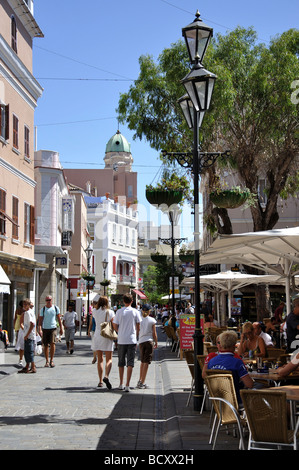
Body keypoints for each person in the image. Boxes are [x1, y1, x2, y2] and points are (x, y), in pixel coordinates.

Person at [207, 330, 254, 405]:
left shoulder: (211, 362)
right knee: (259, 386)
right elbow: (249, 384)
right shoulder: (237, 362)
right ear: (234, 345)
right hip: (236, 401)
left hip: (218, 401)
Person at [112, 293, 141, 392]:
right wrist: (136, 336)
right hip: (131, 339)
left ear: (123, 301)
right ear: (132, 301)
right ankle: (127, 384)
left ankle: (121, 383)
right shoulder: (135, 312)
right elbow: (138, 326)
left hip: (121, 339)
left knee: (121, 362)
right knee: (130, 362)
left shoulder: (119, 312)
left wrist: (119, 332)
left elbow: (114, 325)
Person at [92, 296, 115, 389]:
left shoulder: (94, 311)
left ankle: (100, 381)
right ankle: (106, 376)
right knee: (109, 359)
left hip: (97, 335)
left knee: (100, 359)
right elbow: (114, 324)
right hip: (106, 335)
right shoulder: (110, 312)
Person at [38, 296, 63, 368]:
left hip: (53, 328)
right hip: (45, 328)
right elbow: (40, 321)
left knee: (52, 343)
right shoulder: (43, 309)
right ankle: (47, 361)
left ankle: (51, 360)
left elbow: (59, 319)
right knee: (45, 345)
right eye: (47, 300)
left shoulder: (55, 308)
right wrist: (39, 329)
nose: (48, 301)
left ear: (52, 300)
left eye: (49, 300)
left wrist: (61, 328)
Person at [137, 304, 158, 389]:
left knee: (142, 361)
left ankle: (140, 380)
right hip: (149, 341)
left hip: (141, 341)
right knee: (146, 362)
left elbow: (137, 330)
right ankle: (142, 382)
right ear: (149, 311)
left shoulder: (139, 320)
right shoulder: (152, 320)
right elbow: (154, 333)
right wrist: (156, 342)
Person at [18, 299, 36, 374]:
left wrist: (27, 334)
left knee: (29, 352)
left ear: (29, 305)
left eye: (26, 304)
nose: (24, 306)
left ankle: (33, 367)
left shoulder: (28, 313)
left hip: (29, 336)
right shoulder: (29, 312)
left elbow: (32, 324)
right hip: (28, 334)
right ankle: (27, 366)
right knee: (27, 352)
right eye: (23, 305)